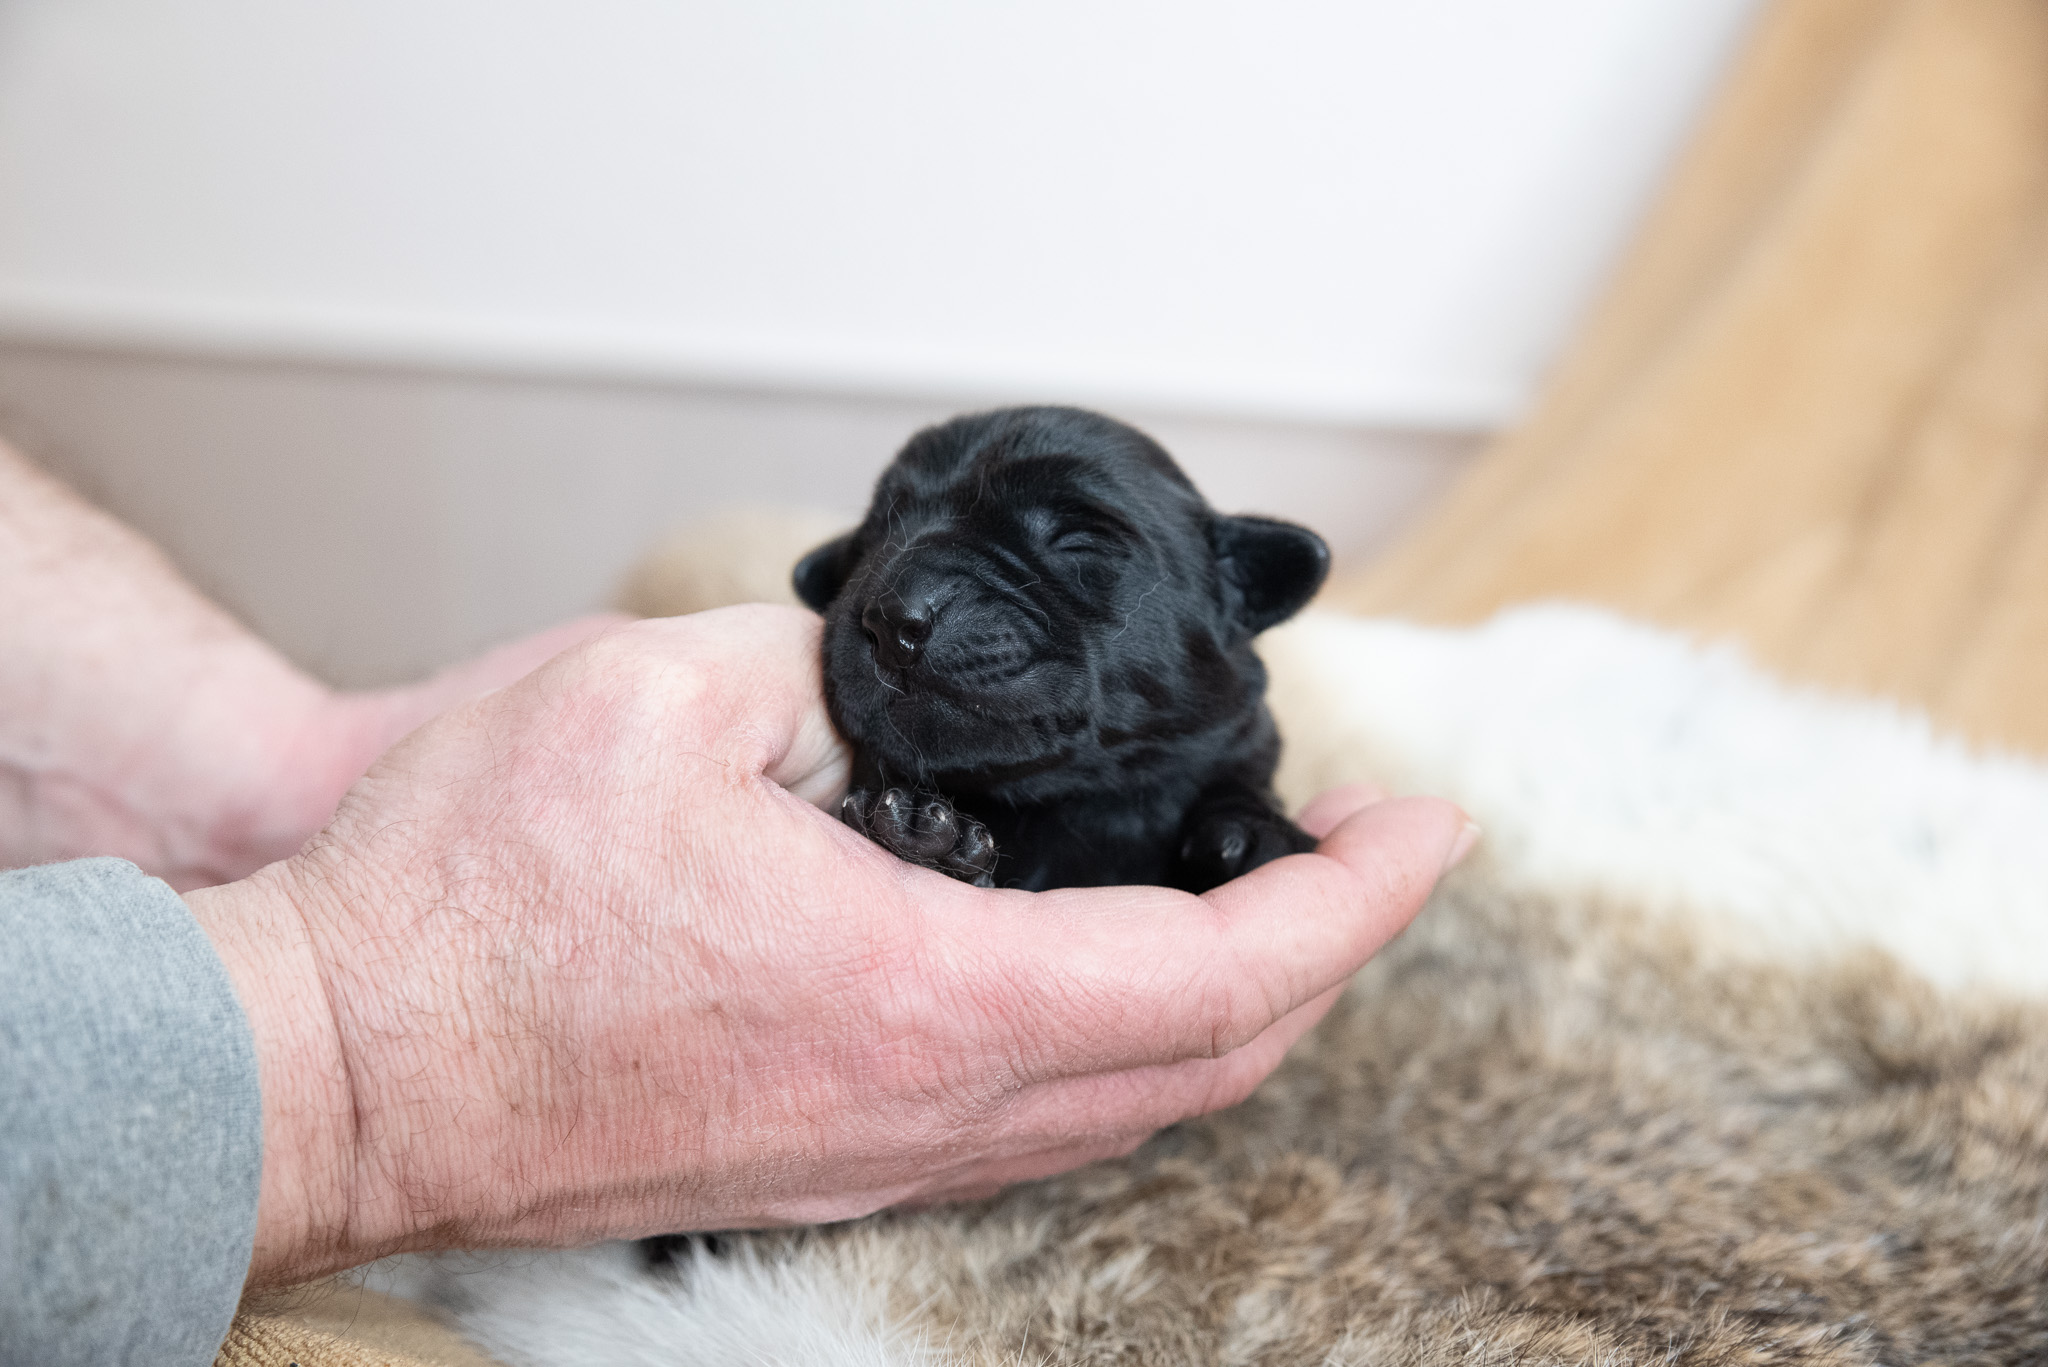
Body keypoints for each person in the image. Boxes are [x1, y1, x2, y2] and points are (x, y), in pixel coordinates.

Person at [0, 439, 1475, 1363]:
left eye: (1074, 550)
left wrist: (290, 776)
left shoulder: (1217, 744)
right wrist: (353, 1071)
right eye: (885, 556)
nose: (909, 602)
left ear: (1238, 591)